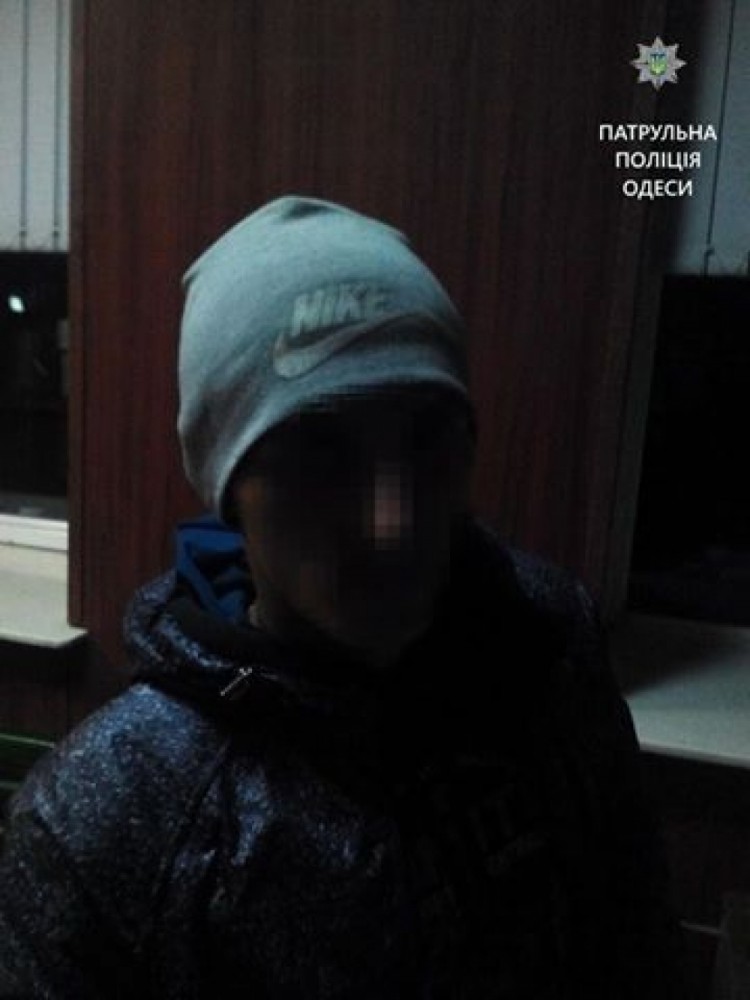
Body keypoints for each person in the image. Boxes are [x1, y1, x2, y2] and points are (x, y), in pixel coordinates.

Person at [0, 196, 684, 998]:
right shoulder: (113, 817)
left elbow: (637, 946)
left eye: (427, 442)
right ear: (228, 489)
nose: (392, 522)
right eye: (320, 457)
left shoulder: (543, 648)